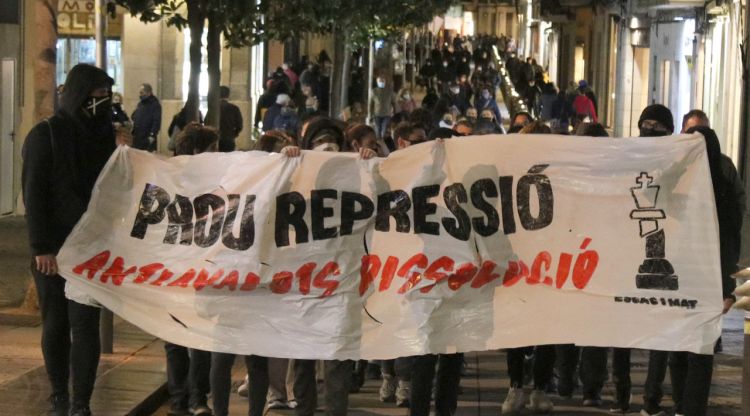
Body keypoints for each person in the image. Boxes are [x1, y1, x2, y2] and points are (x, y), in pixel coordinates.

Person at [22, 63, 126, 416]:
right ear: (79, 96)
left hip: (92, 248)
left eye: (105, 98)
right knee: (57, 323)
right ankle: (58, 395)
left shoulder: (105, 137)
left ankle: (80, 401)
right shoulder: (46, 135)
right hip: (55, 250)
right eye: (94, 98)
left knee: (85, 325)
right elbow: (33, 193)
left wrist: (124, 151)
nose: (100, 105)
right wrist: (41, 247)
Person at [131, 83, 162, 151]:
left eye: (142, 93)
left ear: (148, 93)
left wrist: (152, 135)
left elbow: (156, 121)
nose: (140, 95)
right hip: (137, 137)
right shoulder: (140, 104)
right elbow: (134, 116)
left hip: (147, 138)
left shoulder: (155, 105)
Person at [217, 85, 243, 152]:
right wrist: (234, 134)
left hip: (216, 139)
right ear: (228, 95)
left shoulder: (214, 108)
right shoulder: (234, 108)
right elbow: (239, 125)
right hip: (229, 138)